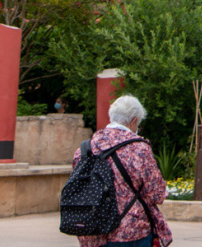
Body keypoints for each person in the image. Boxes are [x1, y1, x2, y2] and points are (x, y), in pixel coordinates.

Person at [72, 95, 172, 247]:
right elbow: (157, 194)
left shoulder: (85, 149)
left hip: (93, 232)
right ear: (133, 121)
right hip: (132, 233)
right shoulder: (139, 149)